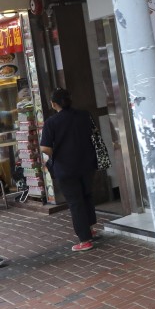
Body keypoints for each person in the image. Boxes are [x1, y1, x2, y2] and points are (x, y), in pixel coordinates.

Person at [39, 88, 99, 252]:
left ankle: (85, 239)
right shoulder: (84, 115)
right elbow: (93, 133)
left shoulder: (51, 123)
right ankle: (90, 229)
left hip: (66, 168)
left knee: (75, 202)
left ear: (53, 104)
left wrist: (52, 158)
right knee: (87, 196)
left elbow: (45, 148)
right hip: (87, 163)